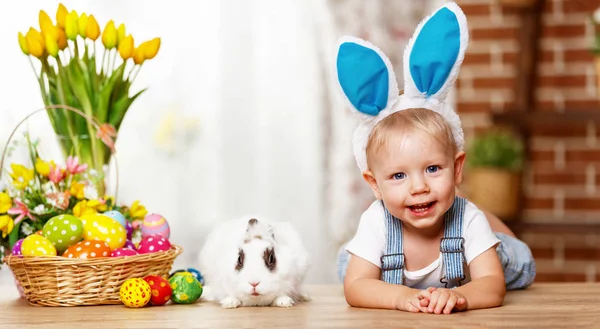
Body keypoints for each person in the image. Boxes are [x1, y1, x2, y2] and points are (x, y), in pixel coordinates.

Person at [333, 2, 535, 314]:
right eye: (398, 176)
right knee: (349, 265)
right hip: (390, 271)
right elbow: (356, 287)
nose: (418, 187)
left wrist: (461, 296)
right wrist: (399, 297)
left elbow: (493, 283)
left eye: (432, 169)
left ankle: (494, 222)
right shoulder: (377, 221)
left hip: (476, 258)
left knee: (516, 261)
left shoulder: (466, 219)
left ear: (456, 168)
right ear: (374, 184)